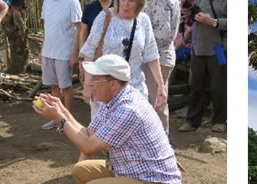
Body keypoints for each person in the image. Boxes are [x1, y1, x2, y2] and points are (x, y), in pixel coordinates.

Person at [32, 54, 183, 184]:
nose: (89, 83)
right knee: (81, 170)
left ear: (112, 84)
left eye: (95, 79)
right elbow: (87, 134)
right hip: (135, 173)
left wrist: (60, 120)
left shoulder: (128, 110)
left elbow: (88, 146)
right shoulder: (113, 101)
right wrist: (61, 110)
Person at [79, 0, 168, 128]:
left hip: (134, 88)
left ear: (139, 3)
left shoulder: (144, 21)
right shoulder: (104, 17)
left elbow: (152, 55)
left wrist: (161, 85)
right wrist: (88, 84)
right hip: (105, 88)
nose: (126, 4)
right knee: (101, 135)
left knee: (134, 134)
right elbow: (88, 52)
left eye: (131, 1)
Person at [178, 0, 226, 133]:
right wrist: (187, 17)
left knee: (219, 86)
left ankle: (220, 121)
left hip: (219, 49)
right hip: (197, 48)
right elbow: (193, 23)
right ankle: (192, 121)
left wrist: (213, 22)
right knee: (195, 86)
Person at [41, 0, 83, 130]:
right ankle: (56, 118)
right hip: (48, 51)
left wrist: (75, 53)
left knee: (65, 88)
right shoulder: (46, 2)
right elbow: (46, 27)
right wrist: (42, 49)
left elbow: (80, 28)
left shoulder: (72, 2)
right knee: (54, 86)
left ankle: (67, 122)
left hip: (64, 52)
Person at [143, 0, 180, 133]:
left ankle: (159, 142)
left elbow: (162, 35)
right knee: (157, 100)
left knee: (155, 101)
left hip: (158, 57)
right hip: (157, 56)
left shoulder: (163, 2)